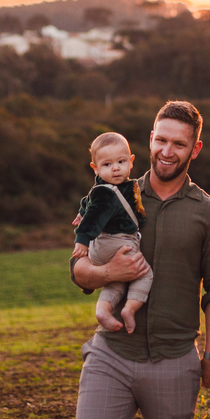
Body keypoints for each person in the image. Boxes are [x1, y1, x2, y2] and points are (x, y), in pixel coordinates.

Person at [71, 101, 210, 419]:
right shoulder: (110, 195)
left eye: (179, 144)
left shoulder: (209, 213)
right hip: (110, 355)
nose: (167, 151)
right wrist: (106, 274)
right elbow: (78, 269)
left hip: (174, 363)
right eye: (161, 140)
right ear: (150, 139)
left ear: (195, 149)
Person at [72, 131, 152, 334]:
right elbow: (94, 217)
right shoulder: (108, 193)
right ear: (95, 168)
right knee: (144, 274)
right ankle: (129, 310)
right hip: (115, 243)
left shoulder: (110, 187)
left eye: (121, 162)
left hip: (106, 247)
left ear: (131, 161)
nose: (116, 168)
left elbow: (88, 202)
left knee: (117, 284)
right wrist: (82, 240)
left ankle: (103, 311)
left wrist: (81, 211)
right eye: (107, 165)